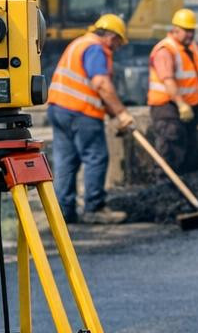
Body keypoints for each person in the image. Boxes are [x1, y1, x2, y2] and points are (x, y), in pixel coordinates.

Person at [48, 14, 136, 224]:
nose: (117, 48)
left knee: (66, 161)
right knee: (96, 157)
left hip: (59, 109)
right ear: (111, 37)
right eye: (118, 42)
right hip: (81, 113)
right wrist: (122, 113)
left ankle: (63, 212)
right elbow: (101, 84)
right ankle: (94, 207)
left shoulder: (79, 43)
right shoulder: (96, 49)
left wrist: (113, 114)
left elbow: (88, 86)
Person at [147, 6, 198, 175]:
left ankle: (185, 184)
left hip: (189, 107)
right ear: (175, 29)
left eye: (192, 31)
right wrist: (181, 104)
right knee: (171, 145)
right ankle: (164, 183)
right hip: (168, 108)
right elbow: (168, 80)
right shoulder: (166, 50)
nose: (190, 35)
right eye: (186, 31)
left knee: (189, 151)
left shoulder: (191, 47)